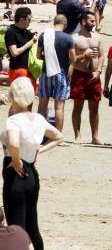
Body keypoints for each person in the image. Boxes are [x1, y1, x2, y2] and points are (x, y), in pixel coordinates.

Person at [1, 77, 64, 250]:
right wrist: (39, 151)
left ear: (13, 97)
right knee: (32, 226)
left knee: (16, 229)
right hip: (32, 175)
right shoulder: (38, 118)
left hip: (16, 177)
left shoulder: (13, 121)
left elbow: (13, 143)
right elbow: (59, 137)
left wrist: (15, 159)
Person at [36, 15, 75, 132]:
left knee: (42, 106)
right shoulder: (68, 38)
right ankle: (57, 134)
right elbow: (73, 59)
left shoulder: (44, 36)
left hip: (46, 72)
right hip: (61, 73)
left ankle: (39, 133)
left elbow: (38, 55)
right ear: (65, 23)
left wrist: (49, 58)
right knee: (59, 107)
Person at [69, 12, 103, 144]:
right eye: (92, 21)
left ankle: (95, 136)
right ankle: (77, 136)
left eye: (94, 21)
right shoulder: (74, 38)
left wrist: (99, 71)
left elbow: (101, 55)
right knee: (78, 106)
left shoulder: (97, 37)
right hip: (79, 74)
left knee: (94, 107)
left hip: (94, 75)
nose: (94, 23)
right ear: (83, 22)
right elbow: (71, 60)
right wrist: (84, 56)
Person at [5, 7, 37, 93]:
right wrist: (30, 43)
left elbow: (35, 39)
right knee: (19, 101)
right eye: (29, 19)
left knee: (29, 98)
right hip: (17, 69)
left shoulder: (26, 32)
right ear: (22, 19)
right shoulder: (11, 32)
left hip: (29, 70)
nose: (30, 21)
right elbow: (14, 52)